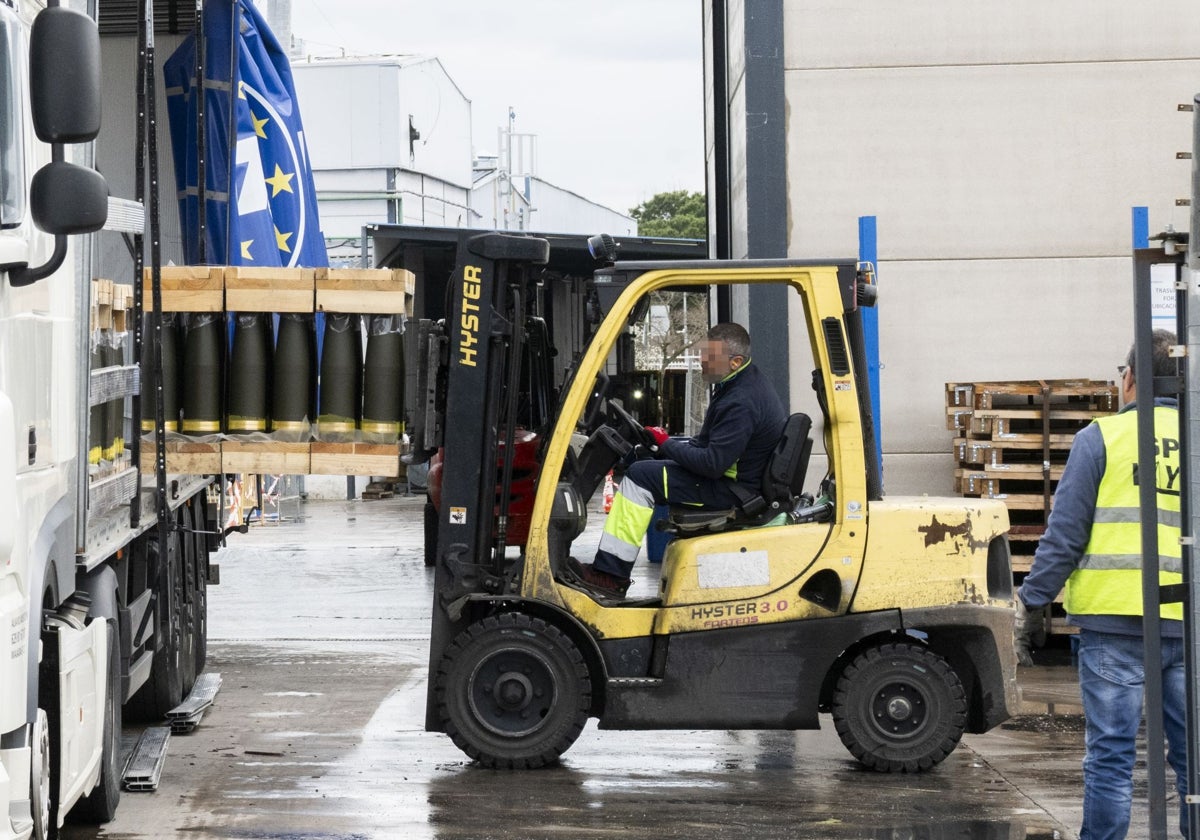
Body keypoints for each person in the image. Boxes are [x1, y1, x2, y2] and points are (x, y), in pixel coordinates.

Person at [1014, 329, 1186, 840]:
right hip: (1185, 629)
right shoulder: (1196, 438)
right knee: (1194, 760)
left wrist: (1030, 603)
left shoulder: (1100, 439)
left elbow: (1064, 538)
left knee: (1111, 758)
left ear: (1130, 378)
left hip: (1113, 629)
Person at [571, 322, 787, 598]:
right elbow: (708, 444)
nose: (701, 361)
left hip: (731, 491)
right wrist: (662, 447)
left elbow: (711, 464)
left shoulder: (741, 401)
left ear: (735, 361)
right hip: (730, 481)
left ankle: (610, 576)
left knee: (638, 477)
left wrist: (667, 444)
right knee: (644, 464)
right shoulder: (739, 384)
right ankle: (609, 571)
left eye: (710, 356)